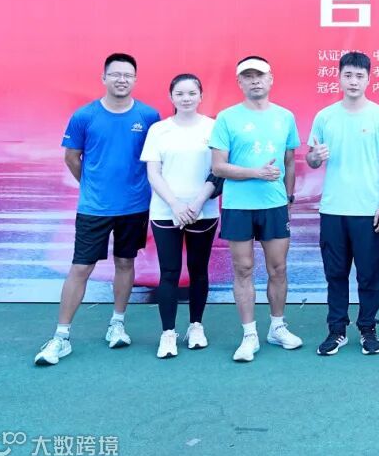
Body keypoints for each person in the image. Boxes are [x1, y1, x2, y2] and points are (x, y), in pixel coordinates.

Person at [35, 53, 160, 366]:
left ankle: (117, 324)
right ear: (104, 78)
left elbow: (155, 159)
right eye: (115, 74)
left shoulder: (148, 116)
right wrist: (92, 186)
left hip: (134, 206)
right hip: (94, 207)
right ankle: (61, 337)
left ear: (135, 80)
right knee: (81, 267)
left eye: (127, 75)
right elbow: (71, 158)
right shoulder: (84, 116)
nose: (121, 80)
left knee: (125, 262)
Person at [210, 56, 302, 362]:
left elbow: (289, 162)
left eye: (259, 75)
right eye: (248, 77)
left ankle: (277, 327)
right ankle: (249, 335)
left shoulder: (285, 117)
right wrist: (255, 173)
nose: (254, 81)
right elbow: (218, 167)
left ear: (270, 79)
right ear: (240, 82)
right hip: (238, 206)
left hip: (274, 206)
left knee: (278, 268)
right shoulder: (227, 118)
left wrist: (288, 198)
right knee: (243, 269)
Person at [308, 51, 379, 356]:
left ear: (369, 79)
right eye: (348, 75)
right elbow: (312, 159)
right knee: (335, 274)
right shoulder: (325, 116)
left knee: (368, 274)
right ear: (338, 77)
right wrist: (315, 157)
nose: (353, 81)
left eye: (359, 76)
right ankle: (336, 330)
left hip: (367, 210)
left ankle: (368, 328)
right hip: (333, 209)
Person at [140, 73, 222, 358]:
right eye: (180, 94)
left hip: (203, 211)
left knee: (199, 271)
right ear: (171, 97)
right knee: (170, 272)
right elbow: (153, 172)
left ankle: (196, 326)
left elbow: (218, 170)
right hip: (166, 211)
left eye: (191, 93)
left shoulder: (214, 127)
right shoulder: (159, 130)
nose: (186, 99)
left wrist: (197, 203)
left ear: (201, 96)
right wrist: (175, 204)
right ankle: (168, 333)